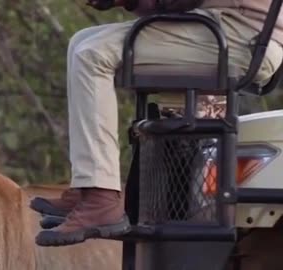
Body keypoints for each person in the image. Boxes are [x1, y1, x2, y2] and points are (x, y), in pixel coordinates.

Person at [31, 0, 283, 247]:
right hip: (229, 25)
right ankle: (88, 186)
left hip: (242, 33)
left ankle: (101, 197)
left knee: (92, 54)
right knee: (80, 41)